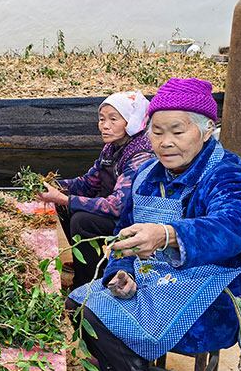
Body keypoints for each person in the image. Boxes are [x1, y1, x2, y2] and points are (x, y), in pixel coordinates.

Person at [66, 78, 241, 371]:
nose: (165, 142)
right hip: (153, 277)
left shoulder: (225, 173)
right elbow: (123, 233)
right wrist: (118, 273)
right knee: (82, 303)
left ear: (206, 131)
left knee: (108, 320)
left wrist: (170, 234)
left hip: (211, 287)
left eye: (177, 130)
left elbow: (239, 225)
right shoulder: (147, 175)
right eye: (157, 131)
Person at [37, 90, 154, 288]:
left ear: (130, 122)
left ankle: (88, 282)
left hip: (133, 221)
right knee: (66, 208)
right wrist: (55, 187)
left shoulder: (140, 155)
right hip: (113, 213)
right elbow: (88, 183)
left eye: (113, 119)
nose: (104, 126)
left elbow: (117, 206)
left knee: (83, 221)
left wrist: (64, 199)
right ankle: (83, 262)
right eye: (101, 119)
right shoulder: (111, 147)